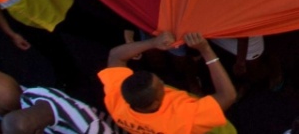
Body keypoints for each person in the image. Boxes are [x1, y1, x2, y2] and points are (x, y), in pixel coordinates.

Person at [100, 30, 239, 134]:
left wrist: (153, 42)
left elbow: (116, 56)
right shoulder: (182, 118)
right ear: (155, 103)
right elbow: (228, 96)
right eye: (160, 85)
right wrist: (206, 50)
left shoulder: (117, 99)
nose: (162, 81)